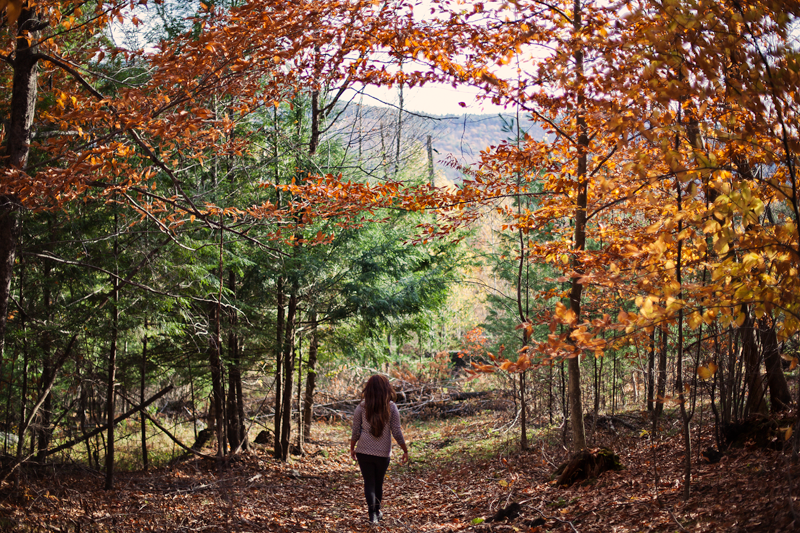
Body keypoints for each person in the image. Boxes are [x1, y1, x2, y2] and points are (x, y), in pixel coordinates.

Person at [350, 374, 409, 525]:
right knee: (378, 483)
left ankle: (373, 516)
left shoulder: (362, 407)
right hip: (383, 453)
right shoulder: (391, 407)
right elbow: (396, 431)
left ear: (369, 389)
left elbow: (355, 431)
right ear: (386, 389)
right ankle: (377, 512)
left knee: (369, 482)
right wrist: (404, 449)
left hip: (363, 450)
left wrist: (352, 447)